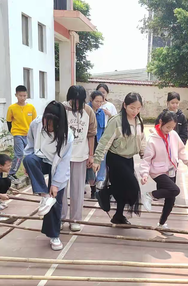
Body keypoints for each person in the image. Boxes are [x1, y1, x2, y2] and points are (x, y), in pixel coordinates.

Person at [23, 101, 74, 251]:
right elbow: (30, 145)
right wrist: (28, 166)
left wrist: (56, 184)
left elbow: (64, 162)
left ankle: (54, 235)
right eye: (47, 123)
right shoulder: (36, 124)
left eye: (52, 125)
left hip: (57, 165)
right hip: (40, 159)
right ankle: (44, 195)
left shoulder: (68, 136)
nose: (48, 127)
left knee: (55, 201)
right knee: (29, 159)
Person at [93, 92, 146, 225]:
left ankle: (118, 215)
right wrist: (97, 160)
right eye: (132, 108)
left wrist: (143, 153)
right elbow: (105, 141)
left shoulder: (139, 121)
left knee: (123, 189)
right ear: (125, 105)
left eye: (138, 108)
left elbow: (142, 139)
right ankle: (105, 192)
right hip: (116, 158)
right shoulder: (116, 121)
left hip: (129, 159)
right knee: (133, 188)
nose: (135, 111)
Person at [139, 111, 188, 235]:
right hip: (158, 172)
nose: (169, 130)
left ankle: (162, 224)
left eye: (172, 127)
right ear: (160, 123)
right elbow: (146, 159)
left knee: (171, 200)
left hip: (171, 169)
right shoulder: (153, 139)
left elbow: (181, 150)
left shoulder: (173, 135)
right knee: (175, 190)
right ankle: (149, 195)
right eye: (167, 127)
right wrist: (144, 174)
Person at [61, 86, 97, 232]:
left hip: (80, 156)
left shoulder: (88, 111)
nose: (76, 104)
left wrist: (91, 155)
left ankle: (75, 219)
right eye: (74, 101)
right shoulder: (62, 108)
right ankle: (61, 218)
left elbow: (91, 134)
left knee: (77, 189)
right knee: (61, 189)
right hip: (62, 156)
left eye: (80, 101)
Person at [6, 85, 37, 183]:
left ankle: (29, 171)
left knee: (30, 155)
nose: (22, 98)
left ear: (27, 95)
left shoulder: (31, 108)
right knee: (19, 154)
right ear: (16, 95)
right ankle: (11, 173)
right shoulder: (12, 108)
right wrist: (13, 132)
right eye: (20, 95)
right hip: (17, 134)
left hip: (28, 135)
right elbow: (8, 121)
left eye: (24, 95)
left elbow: (35, 122)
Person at [86, 90, 107, 199]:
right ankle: (91, 186)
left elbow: (102, 128)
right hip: (86, 141)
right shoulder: (86, 110)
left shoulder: (101, 112)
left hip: (97, 141)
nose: (98, 104)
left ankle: (93, 186)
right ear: (91, 100)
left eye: (101, 102)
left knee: (93, 164)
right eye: (96, 101)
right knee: (88, 164)